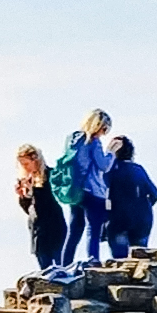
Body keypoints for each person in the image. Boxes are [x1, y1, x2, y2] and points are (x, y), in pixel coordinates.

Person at [59, 109, 115, 269]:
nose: (104, 133)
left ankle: (64, 264)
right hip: (92, 190)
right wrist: (110, 152)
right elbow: (103, 166)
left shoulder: (72, 139)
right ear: (98, 126)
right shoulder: (93, 141)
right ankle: (93, 260)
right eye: (104, 129)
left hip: (75, 190)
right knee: (94, 228)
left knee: (74, 230)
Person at [104, 135, 157, 258]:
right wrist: (142, 206)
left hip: (118, 220)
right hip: (142, 220)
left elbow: (102, 192)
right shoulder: (138, 169)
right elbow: (155, 194)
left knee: (120, 261)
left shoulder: (109, 171)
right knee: (140, 260)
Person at [15, 145, 66, 271]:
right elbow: (30, 210)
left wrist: (34, 190)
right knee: (44, 266)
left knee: (59, 265)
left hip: (54, 224)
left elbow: (48, 201)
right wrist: (24, 196)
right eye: (22, 164)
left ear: (35, 160)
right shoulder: (26, 180)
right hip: (37, 228)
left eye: (26, 163)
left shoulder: (50, 175)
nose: (24, 167)